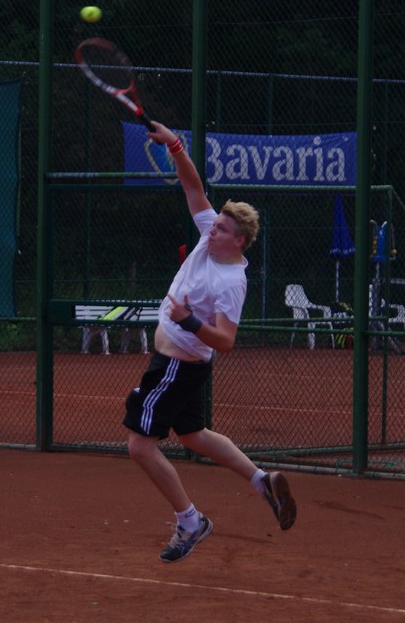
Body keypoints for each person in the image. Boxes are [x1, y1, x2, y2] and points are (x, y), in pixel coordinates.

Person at [123, 122, 297, 562]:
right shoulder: (208, 239)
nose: (211, 229)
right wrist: (175, 145)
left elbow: (226, 341)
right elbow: (193, 187)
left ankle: (190, 521)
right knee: (194, 434)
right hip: (184, 364)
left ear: (238, 241)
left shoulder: (230, 282)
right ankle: (261, 481)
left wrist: (190, 320)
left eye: (220, 229)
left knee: (140, 446)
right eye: (214, 224)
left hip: (176, 365)